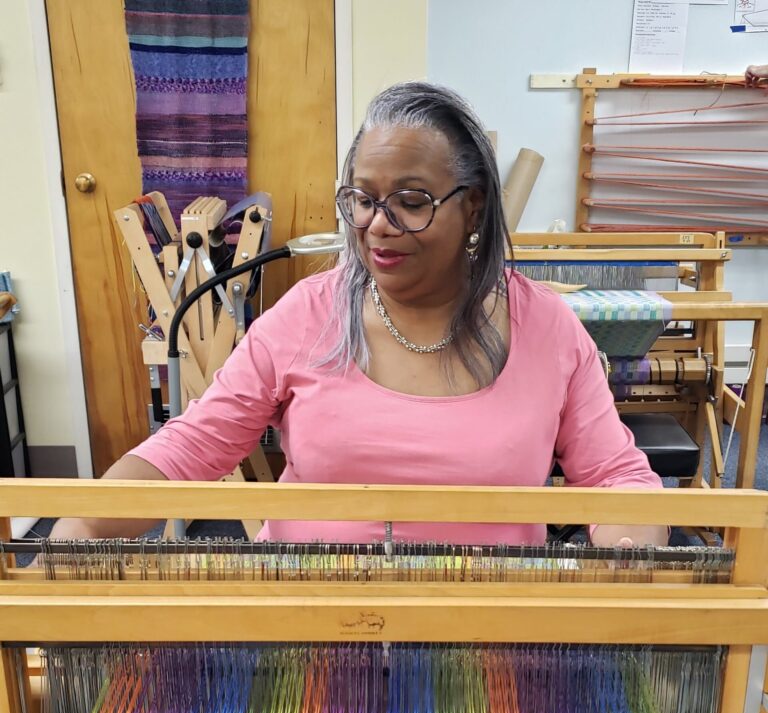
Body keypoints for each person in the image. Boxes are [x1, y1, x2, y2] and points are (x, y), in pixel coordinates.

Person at [50, 82, 667, 548]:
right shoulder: (308, 315)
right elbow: (193, 445)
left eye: (411, 201)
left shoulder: (547, 329)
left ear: (473, 208)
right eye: (363, 199)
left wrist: (635, 569)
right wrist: (77, 525)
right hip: (309, 639)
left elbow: (617, 478)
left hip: (484, 653)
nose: (377, 224)